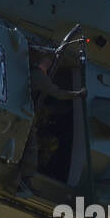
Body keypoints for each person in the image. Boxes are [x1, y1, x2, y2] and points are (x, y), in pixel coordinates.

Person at [11, 39, 85, 198]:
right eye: (49, 61)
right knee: (31, 150)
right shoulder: (39, 75)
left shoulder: (32, 72)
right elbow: (57, 92)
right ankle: (23, 184)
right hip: (24, 115)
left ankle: (22, 183)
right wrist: (77, 94)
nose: (50, 64)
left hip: (23, 113)